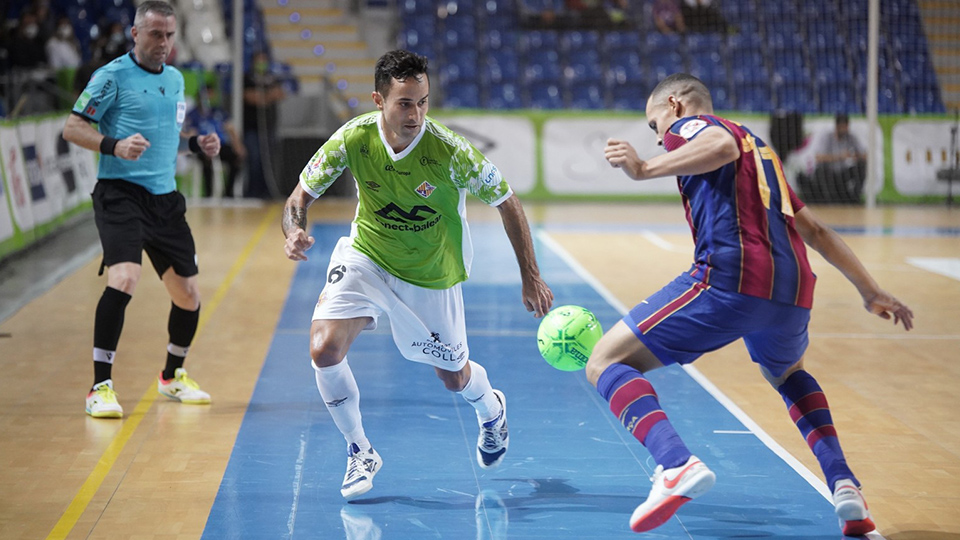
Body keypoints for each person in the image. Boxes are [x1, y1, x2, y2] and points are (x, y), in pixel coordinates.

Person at [593, 74, 913, 535]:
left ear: (675, 104)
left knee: (604, 362)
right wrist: (869, 289)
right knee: (787, 374)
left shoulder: (693, 127)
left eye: (654, 123)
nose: (658, 135)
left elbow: (718, 145)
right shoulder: (762, 152)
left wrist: (643, 168)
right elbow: (816, 231)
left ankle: (675, 464)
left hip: (731, 278)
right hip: (794, 290)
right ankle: (845, 487)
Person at [282, 49, 554, 500]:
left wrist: (530, 275)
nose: (416, 114)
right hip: (367, 255)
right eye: (405, 103)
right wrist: (294, 231)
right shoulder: (353, 138)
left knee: (453, 376)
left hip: (430, 274)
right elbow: (299, 197)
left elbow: (507, 199)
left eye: (423, 102)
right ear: (378, 100)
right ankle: (360, 451)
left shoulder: (449, 150)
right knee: (323, 349)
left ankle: (491, 409)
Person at [62, 0, 221, 418]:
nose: (163, 43)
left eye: (169, 35)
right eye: (155, 34)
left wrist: (194, 145)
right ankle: (100, 386)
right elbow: (72, 126)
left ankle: (171, 377)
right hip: (120, 195)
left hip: (165, 201)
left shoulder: (175, 78)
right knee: (125, 278)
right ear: (135, 33)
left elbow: (168, 134)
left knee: (188, 296)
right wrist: (114, 145)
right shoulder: (111, 76)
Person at [185, 83, 246, 198]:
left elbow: (230, 128)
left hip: (219, 145)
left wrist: (238, 146)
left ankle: (228, 192)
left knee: (236, 158)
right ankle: (209, 193)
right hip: (202, 146)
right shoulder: (194, 114)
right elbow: (190, 134)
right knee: (206, 160)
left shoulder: (218, 112)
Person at [242, 50, 285, 199]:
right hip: (252, 128)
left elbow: (281, 93)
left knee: (269, 162)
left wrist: (264, 97)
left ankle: (266, 192)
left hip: (270, 128)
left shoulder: (271, 78)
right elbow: (251, 98)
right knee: (254, 160)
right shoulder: (247, 78)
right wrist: (267, 96)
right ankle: (251, 192)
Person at [811, 113, 866, 203]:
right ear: (837, 126)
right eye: (842, 127)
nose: (844, 129)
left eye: (846, 127)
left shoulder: (851, 137)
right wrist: (840, 156)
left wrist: (855, 156)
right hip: (830, 173)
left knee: (862, 166)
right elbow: (819, 158)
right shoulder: (828, 137)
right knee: (821, 170)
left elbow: (865, 155)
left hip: (844, 173)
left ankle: (855, 198)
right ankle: (828, 199)